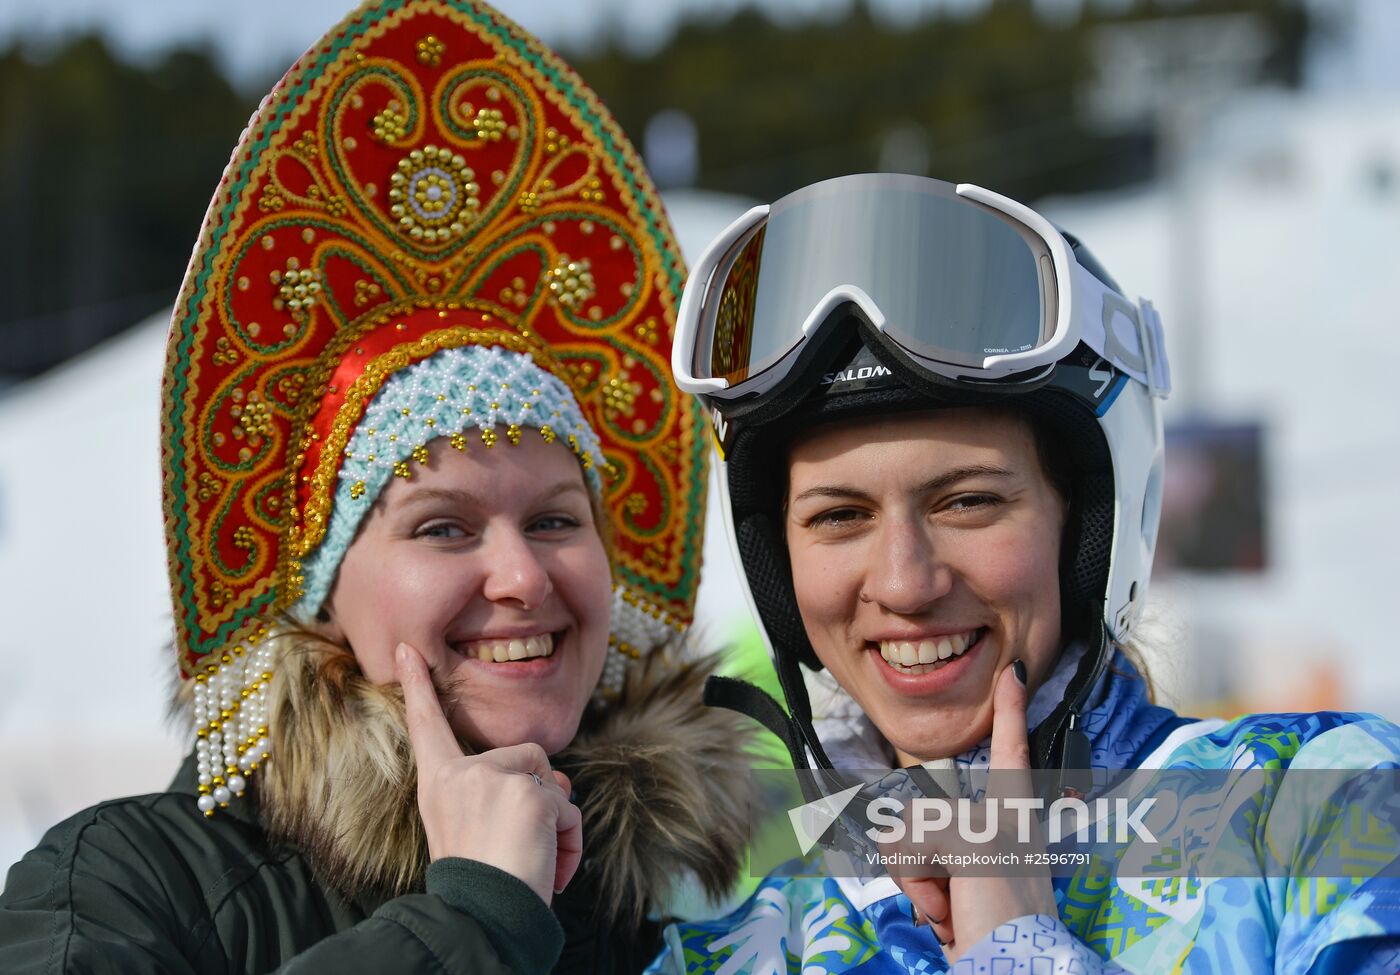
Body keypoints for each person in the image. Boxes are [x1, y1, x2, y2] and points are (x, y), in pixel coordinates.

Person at [0, 1, 752, 971]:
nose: (523, 576)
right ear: (317, 593)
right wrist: (475, 919)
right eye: (443, 528)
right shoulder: (120, 883)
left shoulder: (631, 913)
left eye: (557, 520)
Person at [650, 173, 1400, 973]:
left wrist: (1022, 953)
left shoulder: (1324, 809)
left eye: (967, 501)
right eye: (840, 515)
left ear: (1085, 530)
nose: (904, 583)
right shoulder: (732, 956)